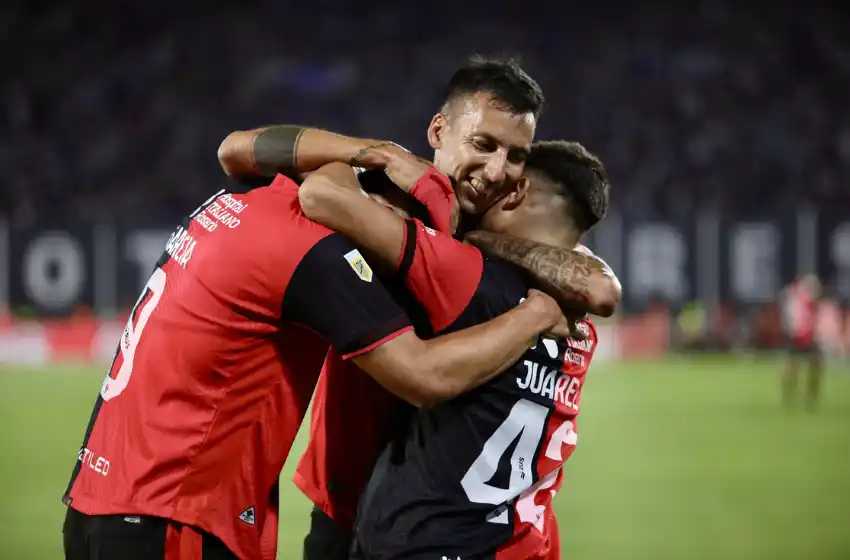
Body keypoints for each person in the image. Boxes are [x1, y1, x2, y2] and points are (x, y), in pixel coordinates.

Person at [217, 58, 617, 559]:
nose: (497, 171)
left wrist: (486, 242)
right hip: (345, 497)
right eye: (483, 144)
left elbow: (598, 285)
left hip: (425, 514)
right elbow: (235, 151)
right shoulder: (382, 194)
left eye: (516, 156)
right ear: (439, 131)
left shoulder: (499, 247)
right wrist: (374, 153)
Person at [60, 171, 567, 560]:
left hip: (100, 503)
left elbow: (243, 148)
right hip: (174, 521)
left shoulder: (236, 202)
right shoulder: (320, 254)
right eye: (402, 230)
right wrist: (536, 314)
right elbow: (425, 376)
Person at [295, 139, 615, 559]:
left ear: (517, 191)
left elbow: (323, 196)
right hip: (520, 539)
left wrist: (378, 156)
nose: (492, 178)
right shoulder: (580, 322)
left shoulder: (472, 278)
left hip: (426, 535)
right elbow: (599, 287)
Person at [780, 274, 823, 410]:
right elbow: (792, 318)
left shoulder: (800, 300)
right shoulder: (797, 299)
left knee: (809, 365)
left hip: (804, 336)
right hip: (798, 336)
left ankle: (805, 396)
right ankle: (793, 395)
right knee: (796, 366)